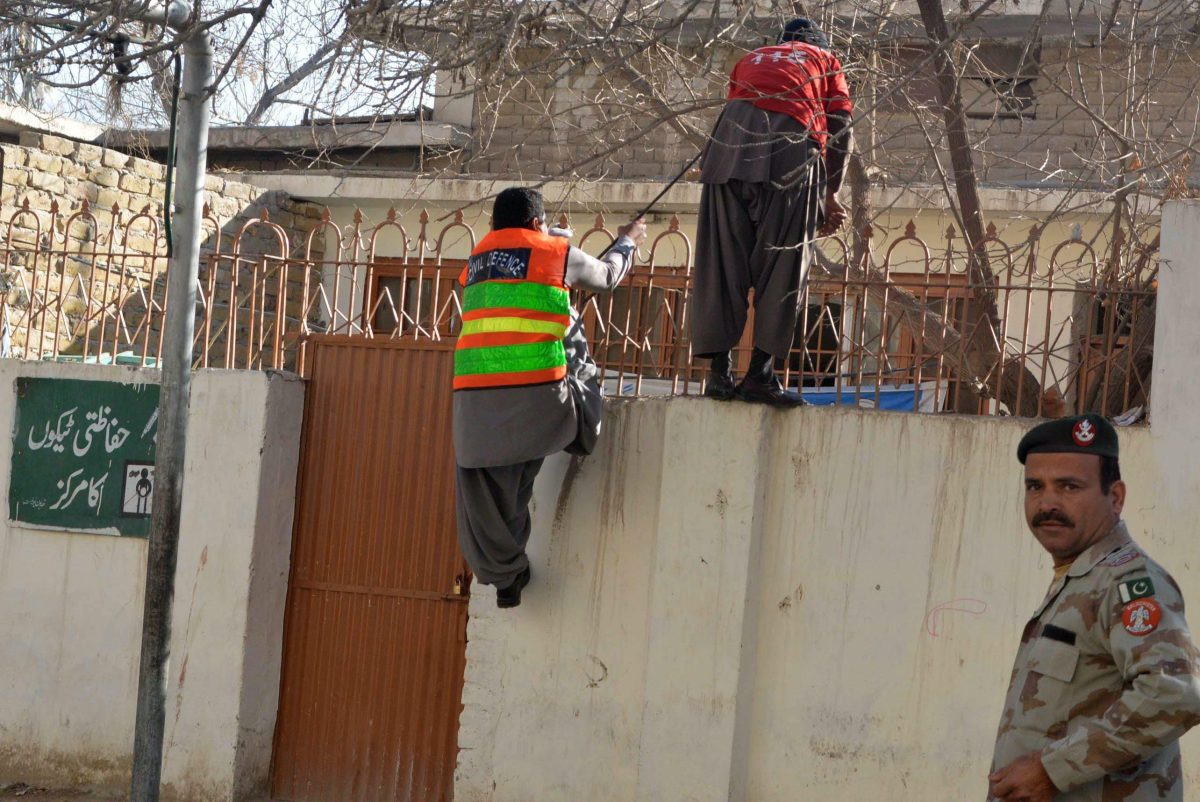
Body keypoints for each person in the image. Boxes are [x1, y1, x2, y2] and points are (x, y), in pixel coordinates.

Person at [988, 414, 1200, 801]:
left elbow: (1175, 694)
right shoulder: (1080, 578)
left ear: (1115, 497)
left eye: (1069, 486)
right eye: (1035, 486)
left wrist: (1052, 770)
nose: (1047, 502)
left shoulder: (1128, 583)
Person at [453, 187, 647, 609]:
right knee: (574, 352)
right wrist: (627, 240)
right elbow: (607, 277)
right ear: (538, 223)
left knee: (497, 497)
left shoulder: (475, 263)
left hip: (476, 401)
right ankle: (586, 424)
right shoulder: (554, 251)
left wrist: (555, 241)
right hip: (538, 397)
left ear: (492, 226)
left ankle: (507, 577)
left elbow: (514, 282)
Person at [691, 17, 853, 407]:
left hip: (726, 154)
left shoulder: (752, 57)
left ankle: (718, 375)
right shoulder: (826, 60)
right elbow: (842, 125)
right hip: (790, 152)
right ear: (818, 43)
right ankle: (760, 376)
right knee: (785, 261)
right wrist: (829, 194)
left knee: (722, 262)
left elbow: (740, 105)